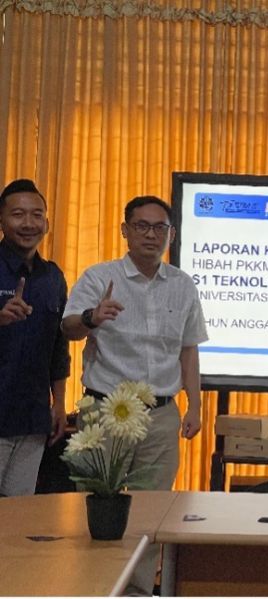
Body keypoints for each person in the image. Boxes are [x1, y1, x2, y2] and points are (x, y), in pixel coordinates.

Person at [61, 195, 207, 593]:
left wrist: (195, 406)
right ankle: (96, 588)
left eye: (160, 228)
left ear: (171, 234)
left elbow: (188, 349)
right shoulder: (100, 277)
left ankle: (140, 591)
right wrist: (93, 317)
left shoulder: (182, 285)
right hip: (105, 411)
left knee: (151, 512)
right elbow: (69, 328)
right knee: (98, 512)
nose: (151, 235)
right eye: (142, 226)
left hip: (160, 414)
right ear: (125, 230)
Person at [0, 179, 70, 496]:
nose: (28, 223)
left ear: (46, 223)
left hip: (33, 418)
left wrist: (59, 402)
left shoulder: (52, 277)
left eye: (37, 214)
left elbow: (58, 347)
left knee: (20, 512)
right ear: (2, 220)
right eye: (18, 214)